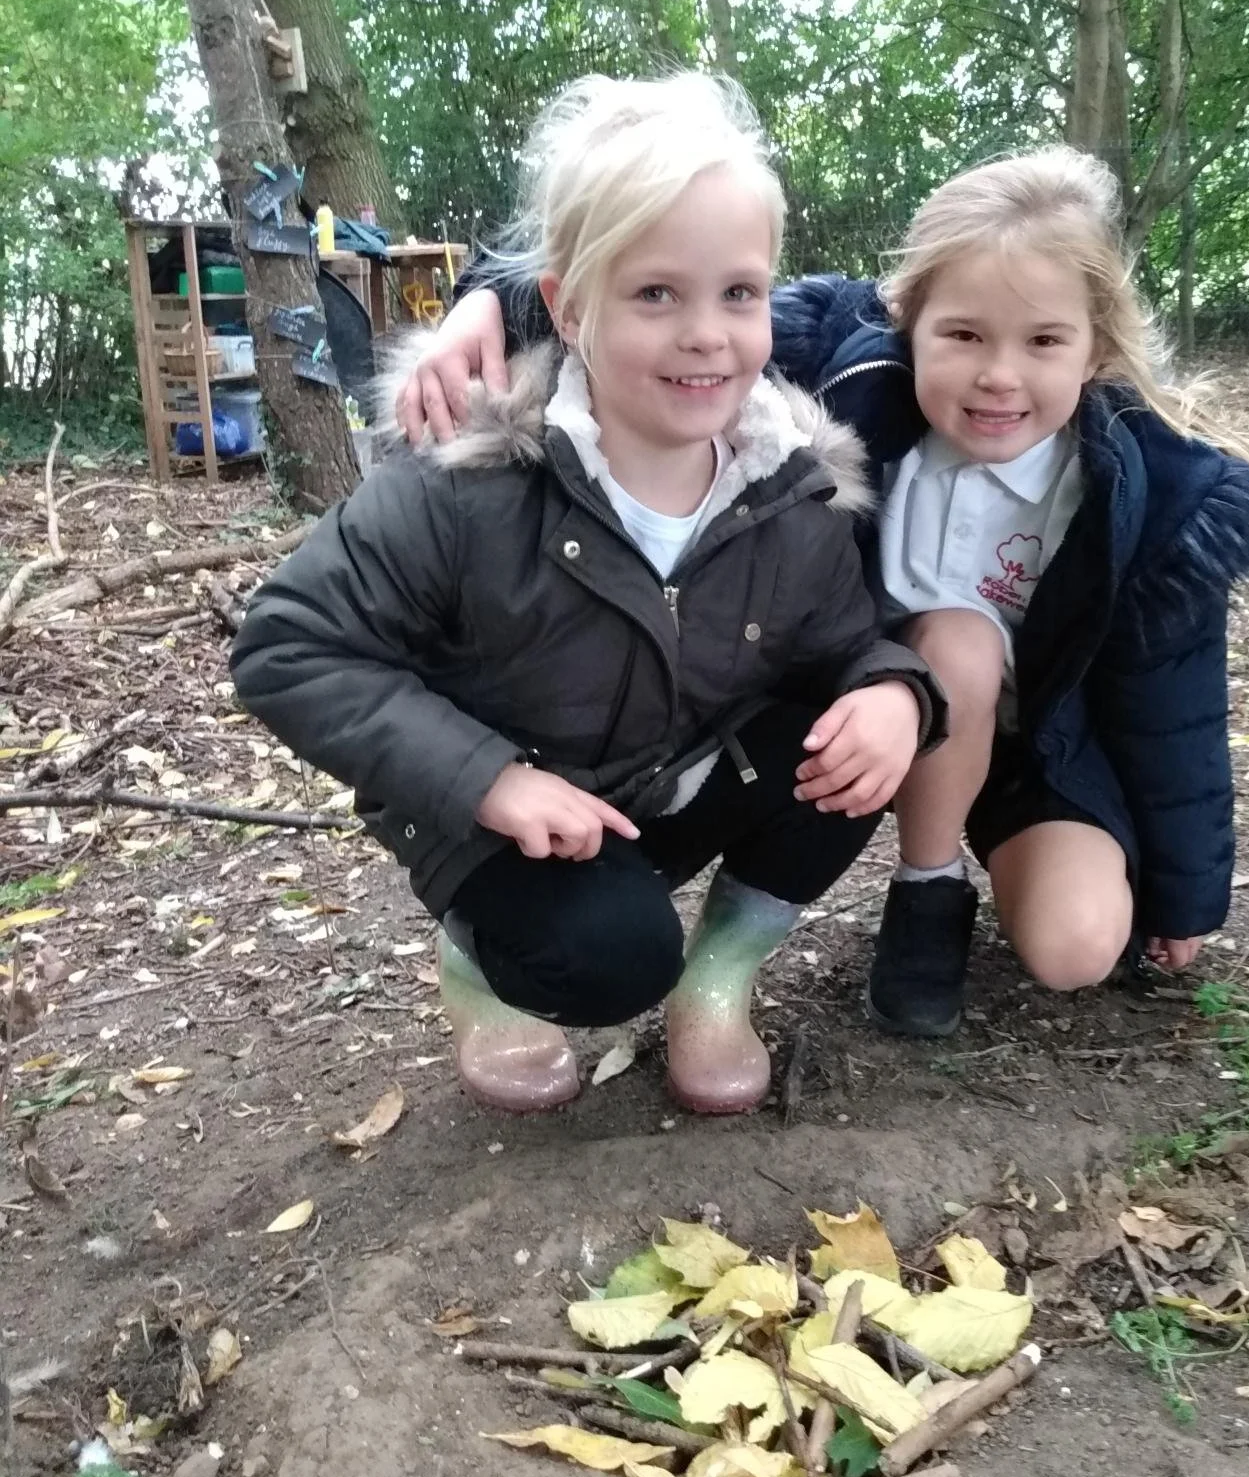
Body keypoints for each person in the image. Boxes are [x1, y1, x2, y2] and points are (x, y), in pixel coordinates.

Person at [396, 144, 1249, 1039]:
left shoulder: (1156, 500)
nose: (999, 376)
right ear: (908, 321)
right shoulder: (850, 368)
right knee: (955, 643)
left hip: (1035, 745)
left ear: (1094, 349)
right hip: (885, 697)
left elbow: (1177, 710)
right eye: (963, 335)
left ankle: (1006, 860)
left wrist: (1185, 892)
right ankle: (924, 892)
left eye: (1044, 341)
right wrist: (486, 302)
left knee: (1077, 950)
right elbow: (664, 284)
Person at [231, 72, 945, 1116]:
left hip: (669, 777)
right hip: (511, 815)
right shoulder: (467, 482)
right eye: (657, 293)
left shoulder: (792, 488)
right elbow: (287, 647)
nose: (707, 333)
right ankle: (479, 969)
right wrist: (488, 782)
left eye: (738, 293)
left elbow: (855, 640)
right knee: (612, 956)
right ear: (569, 306)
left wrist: (894, 693)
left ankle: (722, 979)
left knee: (852, 748)